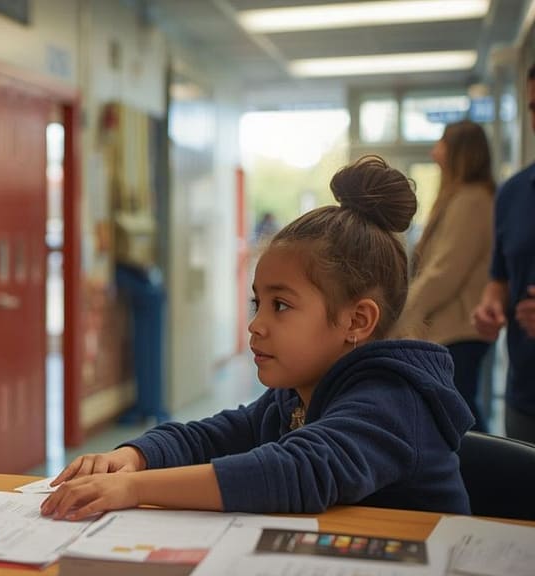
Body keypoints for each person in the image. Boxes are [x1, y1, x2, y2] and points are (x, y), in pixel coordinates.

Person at [41, 156, 474, 520]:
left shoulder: (394, 399)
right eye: (257, 303)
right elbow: (211, 437)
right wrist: (134, 457)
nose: (256, 325)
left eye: (280, 305)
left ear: (357, 321)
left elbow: (292, 471)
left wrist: (135, 488)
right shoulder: (294, 396)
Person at [396, 121, 495, 432]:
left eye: (443, 143)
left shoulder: (472, 200)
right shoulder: (462, 198)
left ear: (460, 152)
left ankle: (484, 465)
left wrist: (403, 313)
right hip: (454, 329)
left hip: (458, 331)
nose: (435, 152)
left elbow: (445, 270)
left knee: (460, 418)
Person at [472, 63, 535, 444]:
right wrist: (489, 306)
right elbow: (499, 278)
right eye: (533, 108)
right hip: (524, 397)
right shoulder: (512, 194)